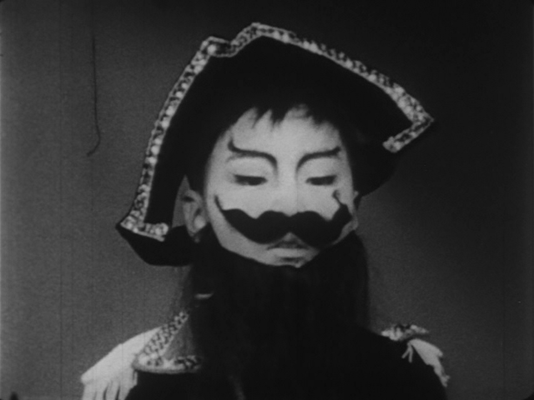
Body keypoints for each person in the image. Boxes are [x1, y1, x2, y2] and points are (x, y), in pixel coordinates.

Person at [81, 23, 448, 400]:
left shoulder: (402, 375)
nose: (291, 206)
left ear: (353, 208)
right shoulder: (143, 385)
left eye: (320, 178)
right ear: (196, 215)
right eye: (253, 178)